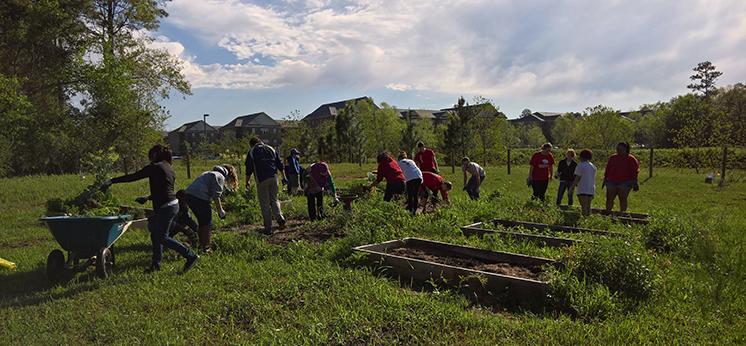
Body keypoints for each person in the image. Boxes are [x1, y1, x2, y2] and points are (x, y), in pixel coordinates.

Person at [102, 145, 198, 273]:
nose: (149, 159)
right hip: (171, 204)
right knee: (155, 235)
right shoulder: (168, 168)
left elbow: (134, 176)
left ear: (154, 155)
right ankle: (156, 264)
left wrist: (112, 181)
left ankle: (190, 256)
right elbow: (164, 189)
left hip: (166, 207)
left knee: (162, 237)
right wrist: (148, 198)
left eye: (150, 156)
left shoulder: (156, 167)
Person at [185, 164, 238, 252]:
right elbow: (216, 196)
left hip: (189, 195)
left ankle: (201, 245)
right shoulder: (220, 176)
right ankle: (206, 248)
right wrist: (220, 211)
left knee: (202, 221)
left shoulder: (208, 173)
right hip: (200, 197)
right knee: (207, 223)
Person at [245, 137, 287, 235]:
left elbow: (249, 168)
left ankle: (268, 227)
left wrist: (247, 182)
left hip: (261, 179)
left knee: (264, 203)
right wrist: (283, 177)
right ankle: (280, 218)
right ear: (261, 142)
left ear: (251, 144)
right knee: (274, 199)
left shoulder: (252, 151)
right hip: (274, 177)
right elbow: (280, 164)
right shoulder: (271, 149)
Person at [603, 142, 640, 212]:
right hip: (611, 181)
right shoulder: (613, 158)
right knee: (609, 198)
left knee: (622, 199)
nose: (618, 151)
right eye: (617, 149)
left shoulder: (631, 159)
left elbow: (635, 172)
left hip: (625, 182)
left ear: (626, 149)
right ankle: (608, 212)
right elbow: (608, 169)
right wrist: (605, 179)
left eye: (620, 149)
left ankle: (622, 214)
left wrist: (635, 182)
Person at [571, 149, 597, 216]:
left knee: (584, 207)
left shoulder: (580, 165)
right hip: (591, 189)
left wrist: (572, 187)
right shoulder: (593, 166)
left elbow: (577, 178)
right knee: (588, 206)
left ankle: (584, 219)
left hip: (583, 188)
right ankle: (588, 219)